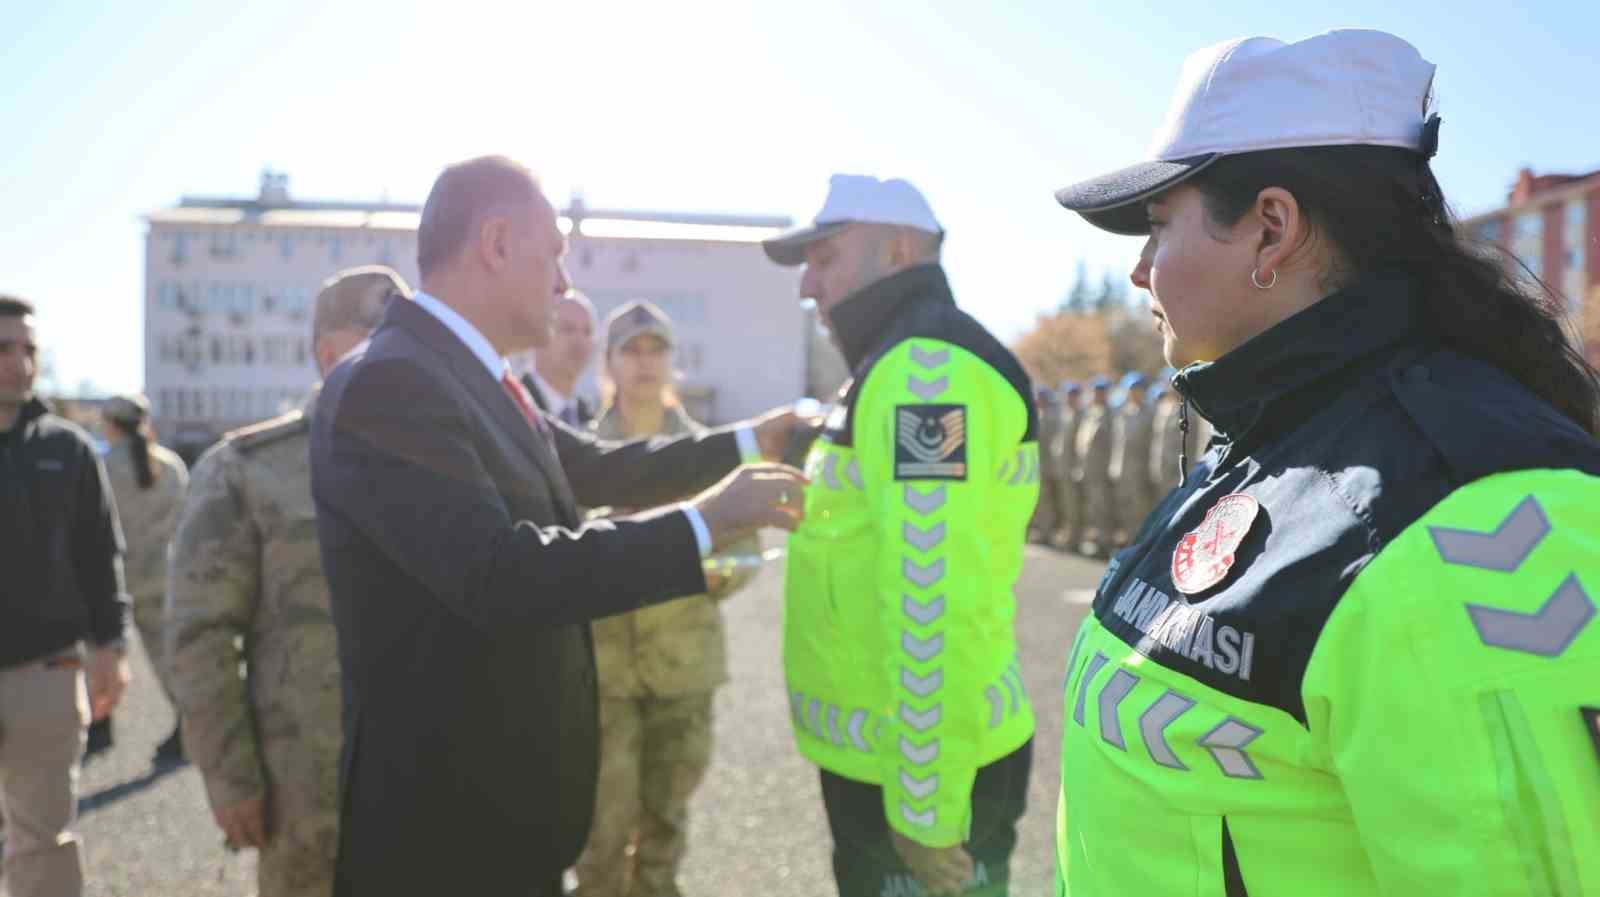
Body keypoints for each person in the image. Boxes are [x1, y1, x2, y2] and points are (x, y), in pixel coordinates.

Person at [1050, 29, 1600, 895]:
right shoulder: (1273, 430)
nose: (1138, 270)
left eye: (1159, 226)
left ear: (1272, 230)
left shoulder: (1471, 523)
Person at [309, 155, 808, 897]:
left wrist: (749, 441)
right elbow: (500, 574)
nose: (566, 284)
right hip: (443, 840)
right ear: (498, 243)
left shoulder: (467, 374)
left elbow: (599, 469)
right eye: (556, 257)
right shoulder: (392, 380)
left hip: (504, 823)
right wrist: (706, 521)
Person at [762, 174, 1037, 897]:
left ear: (900, 250)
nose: (807, 287)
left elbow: (932, 599)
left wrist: (926, 807)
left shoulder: (925, 373)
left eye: (824, 259)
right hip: (896, 762)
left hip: (920, 777)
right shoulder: (894, 364)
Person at [166, 266, 405, 897]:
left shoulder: (441, 463)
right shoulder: (248, 469)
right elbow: (199, 635)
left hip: (428, 778)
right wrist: (232, 777)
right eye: (377, 342)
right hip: (305, 788)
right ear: (327, 353)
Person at [574, 300, 761, 897]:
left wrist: (703, 571)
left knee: (665, 826)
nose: (644, 362)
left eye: (655, 350)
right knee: (600, 835)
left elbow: (746, 554)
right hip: (603, 677)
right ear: (609, 364)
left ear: (672, 362)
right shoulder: (580, 455)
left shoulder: (705, 455)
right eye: (630, 350)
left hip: (682, 670)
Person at [0, 294, 131, 897]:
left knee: (42, 839)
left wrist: (111, 645)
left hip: (47, 672)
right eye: (4, 348)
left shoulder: (68, 449)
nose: (20, 363)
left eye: (29, 349)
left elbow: (99, 553)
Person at [99, 393, 188, 765]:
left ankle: (99, 726)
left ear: (110, 423)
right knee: (167, 657)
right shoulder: (171, 466)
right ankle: (187, 723)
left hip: (112, 580)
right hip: (161, 575)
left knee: (99, 653)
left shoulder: (100, 465)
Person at [517, 289, 599, 426]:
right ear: (538, 334)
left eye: (587, 332)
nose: (580, 341)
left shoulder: (590, 419)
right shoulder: (515, 406)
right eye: (567, 329)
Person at [1108, 372, 1156, 547]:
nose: (1134, 393)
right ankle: (1129, 540)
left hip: (1139, 469)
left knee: (1140, 508)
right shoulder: (1121, 412)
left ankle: (1139, 543)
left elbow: (1152, 443)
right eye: (1131, 390)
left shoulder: (1149, 413)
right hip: (1121, 468)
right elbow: (1117, 442)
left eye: (1138, 389)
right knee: (1123, 507)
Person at [1071, 376, 1114, 557]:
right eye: (1096, 391)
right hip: (1088, 470)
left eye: (1101, 392)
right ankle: (1096, 540)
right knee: (1091, 507)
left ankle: (1104, 542)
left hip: (1101, 470)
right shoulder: (1090, 413)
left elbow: (1114, 443)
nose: (1097, 395)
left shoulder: (1111, 415)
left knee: (1101, 507)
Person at [1049, 382, 1083, 550]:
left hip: (1072, 469)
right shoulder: (1064, 414)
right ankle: (1069, 534)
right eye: (1068, 395)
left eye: (1073, 395)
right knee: (1066, 504)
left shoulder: (1081, 415)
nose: (1070, 399)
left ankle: (1075, 537)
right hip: (1062, 468)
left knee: (1074, 505)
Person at [1029, 386, 1061, 544]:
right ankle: (1041, 531)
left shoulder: (1050, 417)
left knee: (1047, 501)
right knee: (1039, 501)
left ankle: (1047, 532)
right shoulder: (1038, 415)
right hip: (1037, 466)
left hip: (1046, 465)